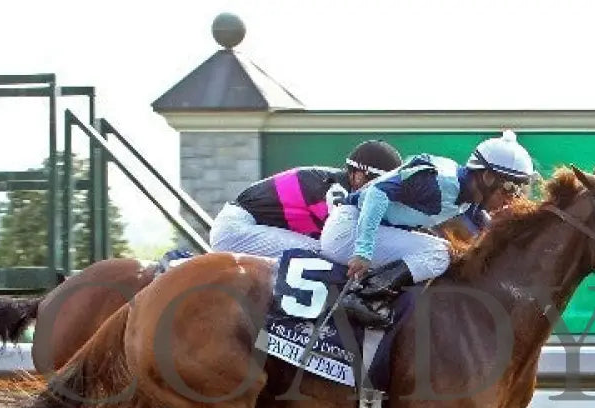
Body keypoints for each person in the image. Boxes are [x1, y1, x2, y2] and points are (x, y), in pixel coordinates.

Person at [318, 130, 535, 328]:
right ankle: (365, 297)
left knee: (443, 250)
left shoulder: (467, 196)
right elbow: (376, 194)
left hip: (362, 229)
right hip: (347, 232)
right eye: (510, 188)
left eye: (518, 190)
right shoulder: (438, 183)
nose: (511, 199)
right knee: (441, 252)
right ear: (487, 177)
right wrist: (363, 250)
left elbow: (485, 229)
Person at [208, 140, 403, 257]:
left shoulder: (342, 185)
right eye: (380, 183)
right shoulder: (336, 190)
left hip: (245, 223)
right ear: (358, 175)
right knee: (325, 251)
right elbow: (340, 239)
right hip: (235, 229)